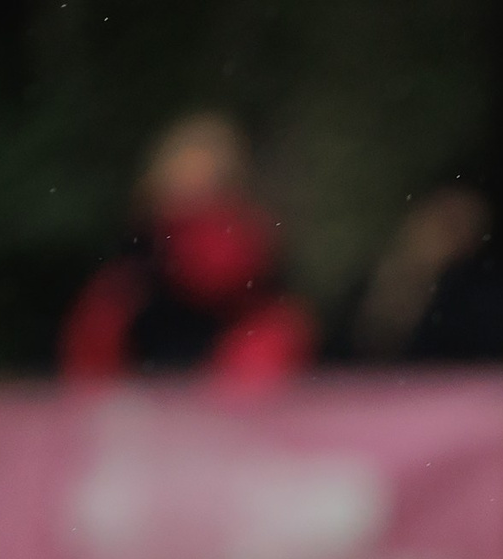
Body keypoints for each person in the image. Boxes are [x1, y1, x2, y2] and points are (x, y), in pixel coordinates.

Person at [60, 114, 314, 388]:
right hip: (149, 396)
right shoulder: (124, 285)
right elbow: (90, 369)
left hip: (212, 395)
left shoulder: (263, 293)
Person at [325, 184, 503, 364]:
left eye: (456, 228)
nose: (439, 235)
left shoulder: (477, 305)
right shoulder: (364, 282)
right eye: (444, 221)